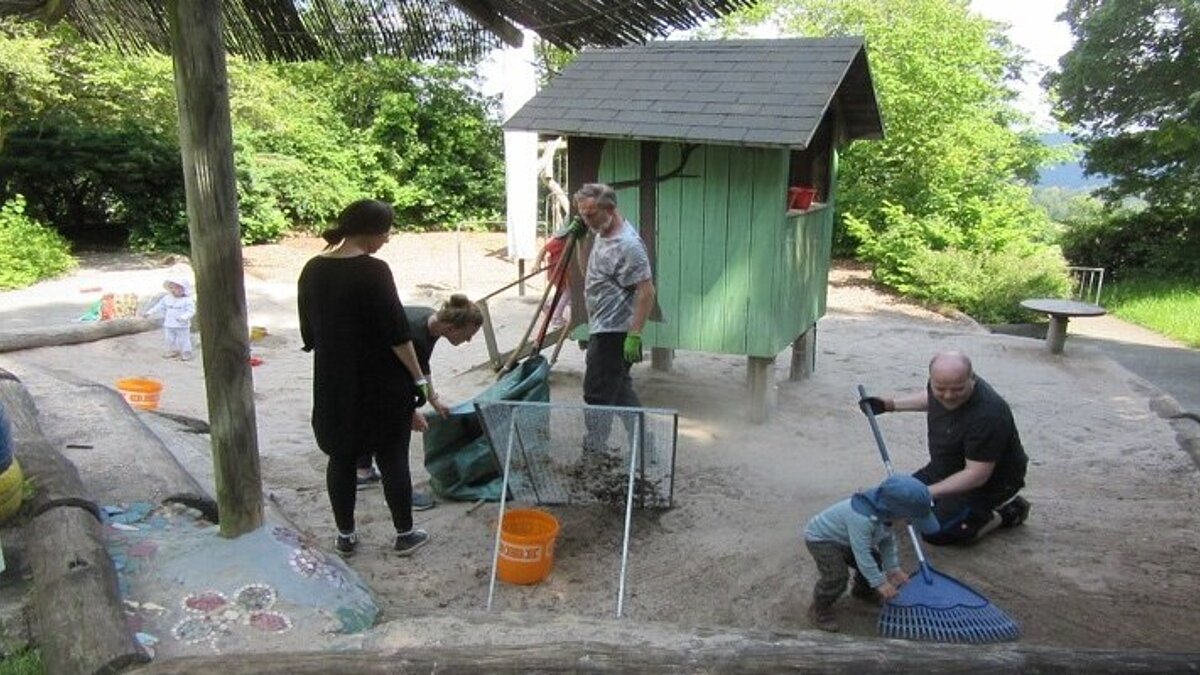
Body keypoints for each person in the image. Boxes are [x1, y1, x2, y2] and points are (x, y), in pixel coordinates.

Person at [298, 198, 433, 558]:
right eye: (385, 233)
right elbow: (397, 335)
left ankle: (346, 536)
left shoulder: (312, 269)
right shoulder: (374, 271)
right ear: (370, 233)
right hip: (380, 382)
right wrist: (419, 380)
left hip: (333, 382)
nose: (386, 240)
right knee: (392, 456)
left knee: (340, 457)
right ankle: (405, 533)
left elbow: (309, 335)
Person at [859, 351, 1031, 546]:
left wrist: (926, 493)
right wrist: (887, 405)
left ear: (972, 379)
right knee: (889, 498)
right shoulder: (943, 386)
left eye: (957, 389)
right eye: (940, 388)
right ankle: (942, 501)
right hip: (944, 468)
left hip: (989, 484)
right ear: (932, 380)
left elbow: (977, 475)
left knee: (937, 532)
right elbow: (931, 397)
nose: (948, 396)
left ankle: (1003, 514)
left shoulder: (989, 415)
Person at [356, 294, 485, 508]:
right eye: (469, 335)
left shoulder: (430, 320)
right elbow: (396, 381)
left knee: (372, 421)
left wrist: (433, 399)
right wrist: (409, 412)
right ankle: (400, 495)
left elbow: (420, 367)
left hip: (367, 368)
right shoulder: (413, 334)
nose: (469, 340)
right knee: (394, 436)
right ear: (452, 328)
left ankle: (363, 472)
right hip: (368, 372)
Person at [569, 183, 656, 452]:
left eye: (591, 214)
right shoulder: (600, 232)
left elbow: (646, 291)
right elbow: (589, 274)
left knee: (596, 394)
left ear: (610, 208)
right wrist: (582, 239)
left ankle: (594, 450)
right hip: (601, 326)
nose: (586, 220)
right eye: (582, 215)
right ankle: (644, 443)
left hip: (615, 332)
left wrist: (634, 334)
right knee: (618, 391)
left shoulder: (628, 244)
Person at [803, 474, 940, 632]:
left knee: (875, 559)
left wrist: (892, 568)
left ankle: (862, 592)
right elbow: (861, 553)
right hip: (822, 539)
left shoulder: (886, 514)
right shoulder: (862, 519)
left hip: (846, 538)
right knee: (836, 576)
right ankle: (819, 607)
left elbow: (887, 540)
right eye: (908, 517)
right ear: (895, 511)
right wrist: (879, 582)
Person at [142, 275, 196, 361]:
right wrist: (149, 312)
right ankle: (172, 350)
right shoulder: (167, 298)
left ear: (183, 289)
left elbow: (191, 311)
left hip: (182, 325)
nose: (173, 290)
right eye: (171, 288)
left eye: (176, 288)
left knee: (183, 339)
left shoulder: (187, 300)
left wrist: (184, 317)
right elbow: (159, 306)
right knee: (169, 339)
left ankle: (186, 352)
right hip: (169, 324)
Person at [531, 228, 572, 331]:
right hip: (559, 270)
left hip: (565, 270)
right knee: (568, 292)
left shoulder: (571, 240)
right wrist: (537, 264)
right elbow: (544, 250)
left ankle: (549, 305)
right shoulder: (560, 240)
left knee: (564, 292)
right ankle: (556, 318)